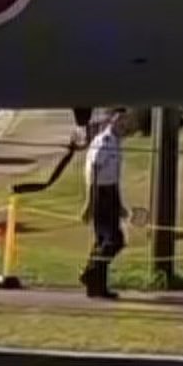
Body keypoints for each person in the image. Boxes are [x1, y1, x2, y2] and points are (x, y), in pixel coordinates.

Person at [76, 109, 131, 298]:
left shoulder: (116, 142)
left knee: (103, 241)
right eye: (120, 120)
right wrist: (90, 202)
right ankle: (90, 272)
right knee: (114, 240)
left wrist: (120, 203)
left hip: (111, 192)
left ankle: (97, 287)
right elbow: (93, 171)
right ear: (111, 120)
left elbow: (114, 176)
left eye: (125, 121)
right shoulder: (104, 142)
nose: (123, 124)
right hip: (101, 193)